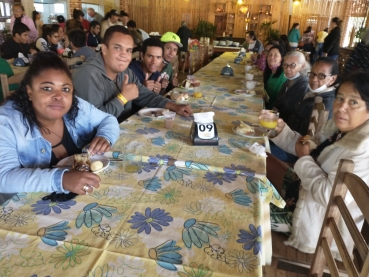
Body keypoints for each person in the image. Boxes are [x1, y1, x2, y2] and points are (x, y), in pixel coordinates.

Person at [266, 70, 369, 260]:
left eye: (353, 102)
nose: (341, 107)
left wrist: (305, 159)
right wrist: (280, 131)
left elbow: (329, 197)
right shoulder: (340, 130)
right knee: (260, 159)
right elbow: (307, 147)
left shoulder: (363, 148)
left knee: (249, 207)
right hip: (302, 192)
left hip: (313, 223)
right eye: (339, 98)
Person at [0, 51, 119, 194]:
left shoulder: (77, 106)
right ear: (30, 92)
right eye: (47, 88)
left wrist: (106, 136)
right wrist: (61, 180)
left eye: (65, 89)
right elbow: (4, 178)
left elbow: (108, 119)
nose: (58, 96)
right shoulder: (7, 122)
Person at [72, 25, 192, 122]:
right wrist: (123, 98)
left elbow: (146, 95)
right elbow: (93, 121)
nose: (124, 55)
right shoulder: (87, 75)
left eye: (128, 50)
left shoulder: (125, 72)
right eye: (117, 48)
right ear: (104, 49)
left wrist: (175, 107)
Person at [271, 51, 310, 163]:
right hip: (280, 131)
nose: (288, 68)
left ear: (302, 66)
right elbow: (278, 106)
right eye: (285, 65)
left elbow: (288, 113)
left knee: (259, 145)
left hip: (291, 142)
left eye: (292, 65)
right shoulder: (288, 82)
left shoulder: (303, 85)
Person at [284, 57, 339, 135]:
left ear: (333, 79)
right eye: (312, 74)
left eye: (321, 76)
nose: (314, 79)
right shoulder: (313, 93)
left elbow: (309, 137)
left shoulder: (326, 103)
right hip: (287, 132)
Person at [264, 45, 287, 110]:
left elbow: (279, 101)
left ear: (282, 59)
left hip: (271, 110)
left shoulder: (283, 77)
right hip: (264, 104)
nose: (271, 57)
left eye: (275, 55)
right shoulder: (269, 72)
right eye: (270, 54)